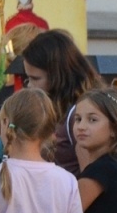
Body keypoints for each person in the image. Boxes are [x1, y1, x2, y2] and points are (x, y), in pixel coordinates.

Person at [17, 30, 102, 176]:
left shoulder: (78, 114)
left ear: (58, 76)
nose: (29, 85)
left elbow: (92, 176)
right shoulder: (55, 107)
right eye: (27, 78)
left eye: (35, 79)